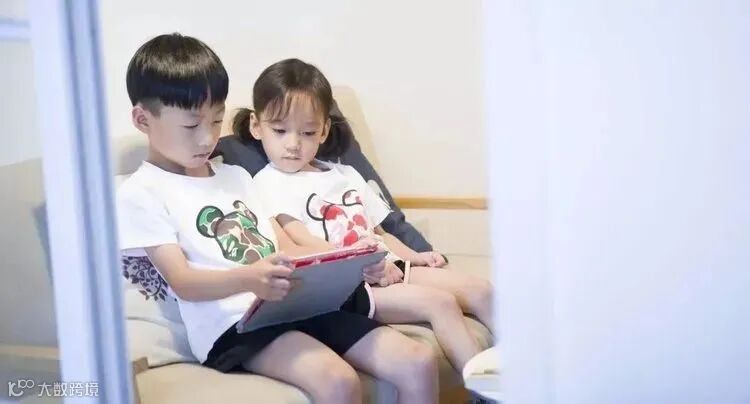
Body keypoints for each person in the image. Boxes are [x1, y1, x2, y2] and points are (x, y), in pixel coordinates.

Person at [117, 34, 437, 404]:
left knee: (417, 362)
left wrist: (351, 263)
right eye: (191, 126)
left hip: (293, 304)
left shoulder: (236, 176)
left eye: (216, 120)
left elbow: (284, 247)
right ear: (143, 119)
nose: (207, 138)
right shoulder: (141, 192)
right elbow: (184, 282)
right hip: (234, 324)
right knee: (337, 381)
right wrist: (250, 278)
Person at [234, 58, 493, 371]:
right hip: (354, 284)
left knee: (483, 291)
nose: (293, 144)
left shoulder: (345, 174)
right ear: (256, 126)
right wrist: (362, 262)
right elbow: (301, 243)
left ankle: (521, 384)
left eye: (307, 132)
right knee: (441, 303)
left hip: (389, 266)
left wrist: (416, 257)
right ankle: (483, 390)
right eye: (280, 130)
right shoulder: (267, 183)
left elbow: (381, 234)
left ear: (324, 131)